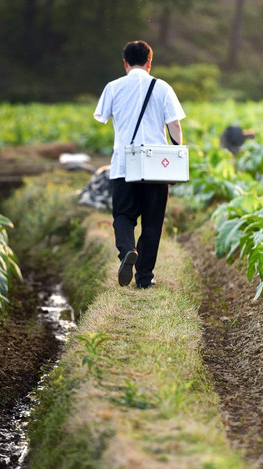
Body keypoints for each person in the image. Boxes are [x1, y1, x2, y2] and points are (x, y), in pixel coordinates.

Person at [93, 40, 185, 288]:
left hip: (124, 163)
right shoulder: (163, 87)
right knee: (152, 222)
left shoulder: (113, 87)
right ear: (149, 62)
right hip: (156, 165)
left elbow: (102, 117)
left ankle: (126, 253)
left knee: (123, 215)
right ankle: (145, 278)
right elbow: (174, 124)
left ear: (125, 63)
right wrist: (176, 155)